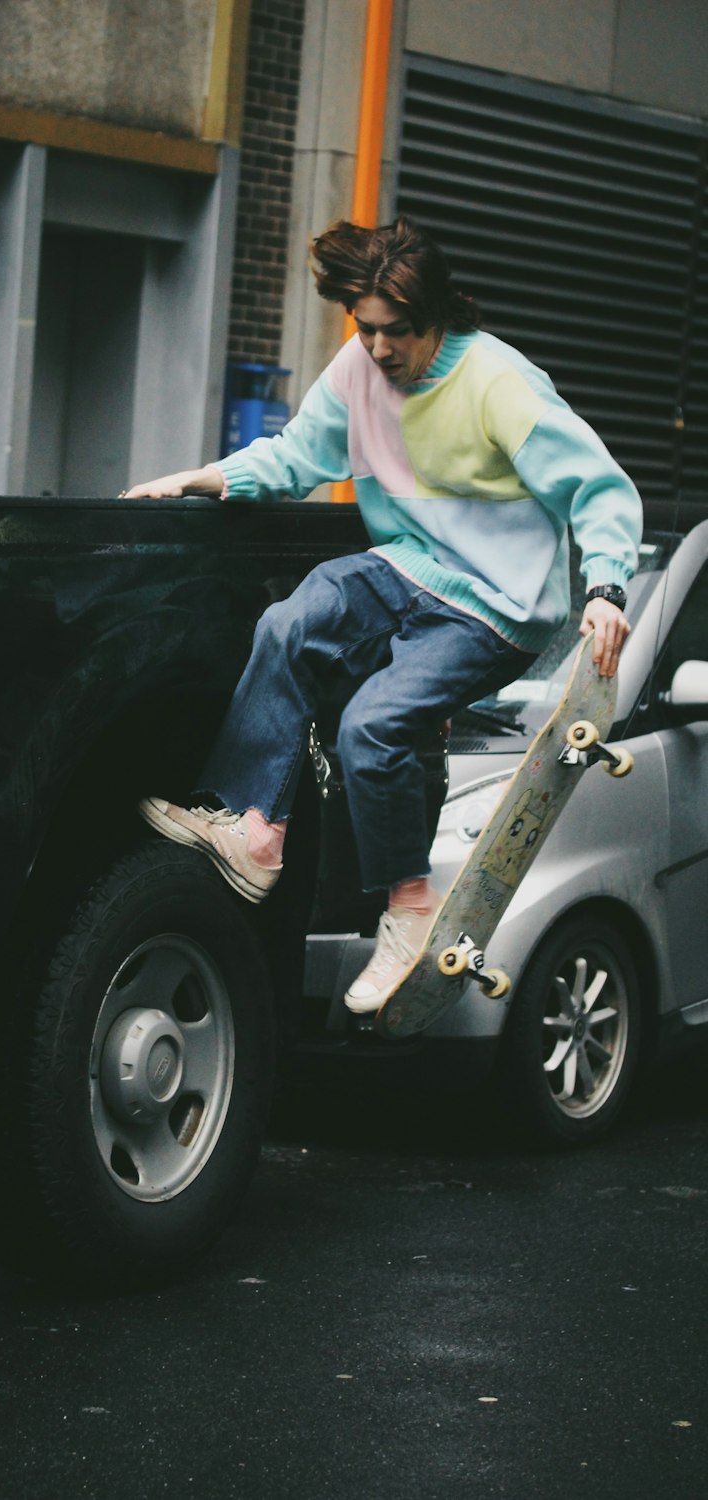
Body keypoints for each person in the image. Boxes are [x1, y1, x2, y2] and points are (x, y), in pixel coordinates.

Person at [123, 215, 641, 1015]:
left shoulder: (499, 383)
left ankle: (408, 906)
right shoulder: (358, 369)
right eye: (364, 330)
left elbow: (596, 487)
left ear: (439, 318)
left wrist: (607, 587)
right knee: (290, 623)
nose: (379, 350)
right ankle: (255, 829)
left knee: (372, 728)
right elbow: (296, 457)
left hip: (495, 605)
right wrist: (202, 479)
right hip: (408, 568)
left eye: (397, 333)